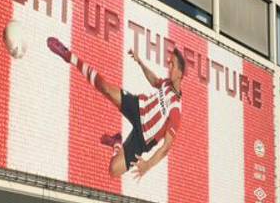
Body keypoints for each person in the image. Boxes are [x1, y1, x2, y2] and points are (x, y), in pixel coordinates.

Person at [46, 37, 184, 179]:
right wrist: (140, 62)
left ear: (180, 74)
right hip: (138, 107)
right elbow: (155, 81)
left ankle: (116, 143)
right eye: (169, 64)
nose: (169, 68)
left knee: (113, 170)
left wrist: (147, 165)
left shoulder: (176, 110)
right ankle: (69, 55)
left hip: (142, 139)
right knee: (105, 88)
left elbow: (166, 147)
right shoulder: (167, 84)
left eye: (173, 65)